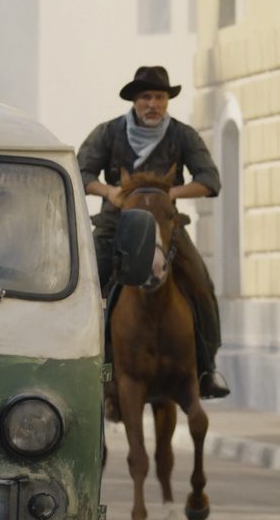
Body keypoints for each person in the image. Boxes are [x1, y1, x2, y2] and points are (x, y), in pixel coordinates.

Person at [77, 65, 228, 400]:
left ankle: (207, 368)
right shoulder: (108, 132)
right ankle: (85, 365)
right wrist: (109, 192)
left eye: (159, 97)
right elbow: (80, 170)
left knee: (202, 286)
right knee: (87, 287)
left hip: (167, 228)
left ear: (167, 101)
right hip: (116, 225)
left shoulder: (183, 135)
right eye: (145, 97)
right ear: (134, 100)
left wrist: (171, 195)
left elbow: (210, 180)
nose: (152, 104)